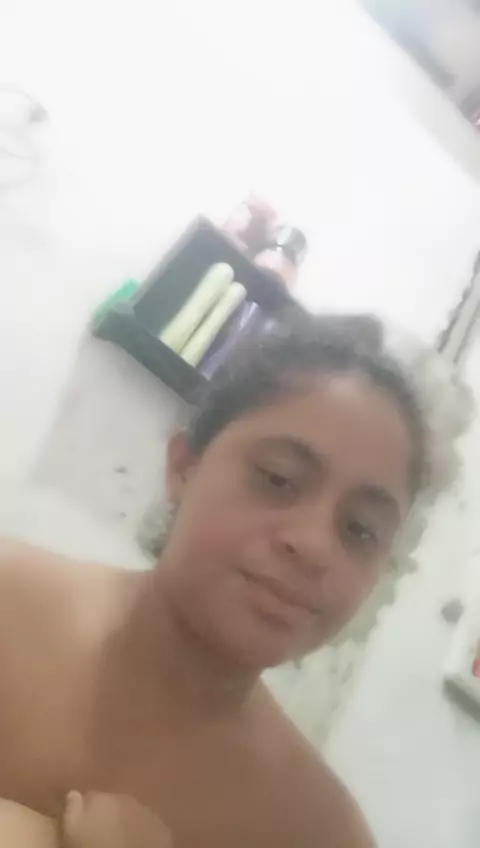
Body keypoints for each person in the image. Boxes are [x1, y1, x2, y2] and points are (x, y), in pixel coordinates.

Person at [0, 313, 429, 847]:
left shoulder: (319, 833)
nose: (316, 545)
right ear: (184, 466)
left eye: (360, 529)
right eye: (279, 479)